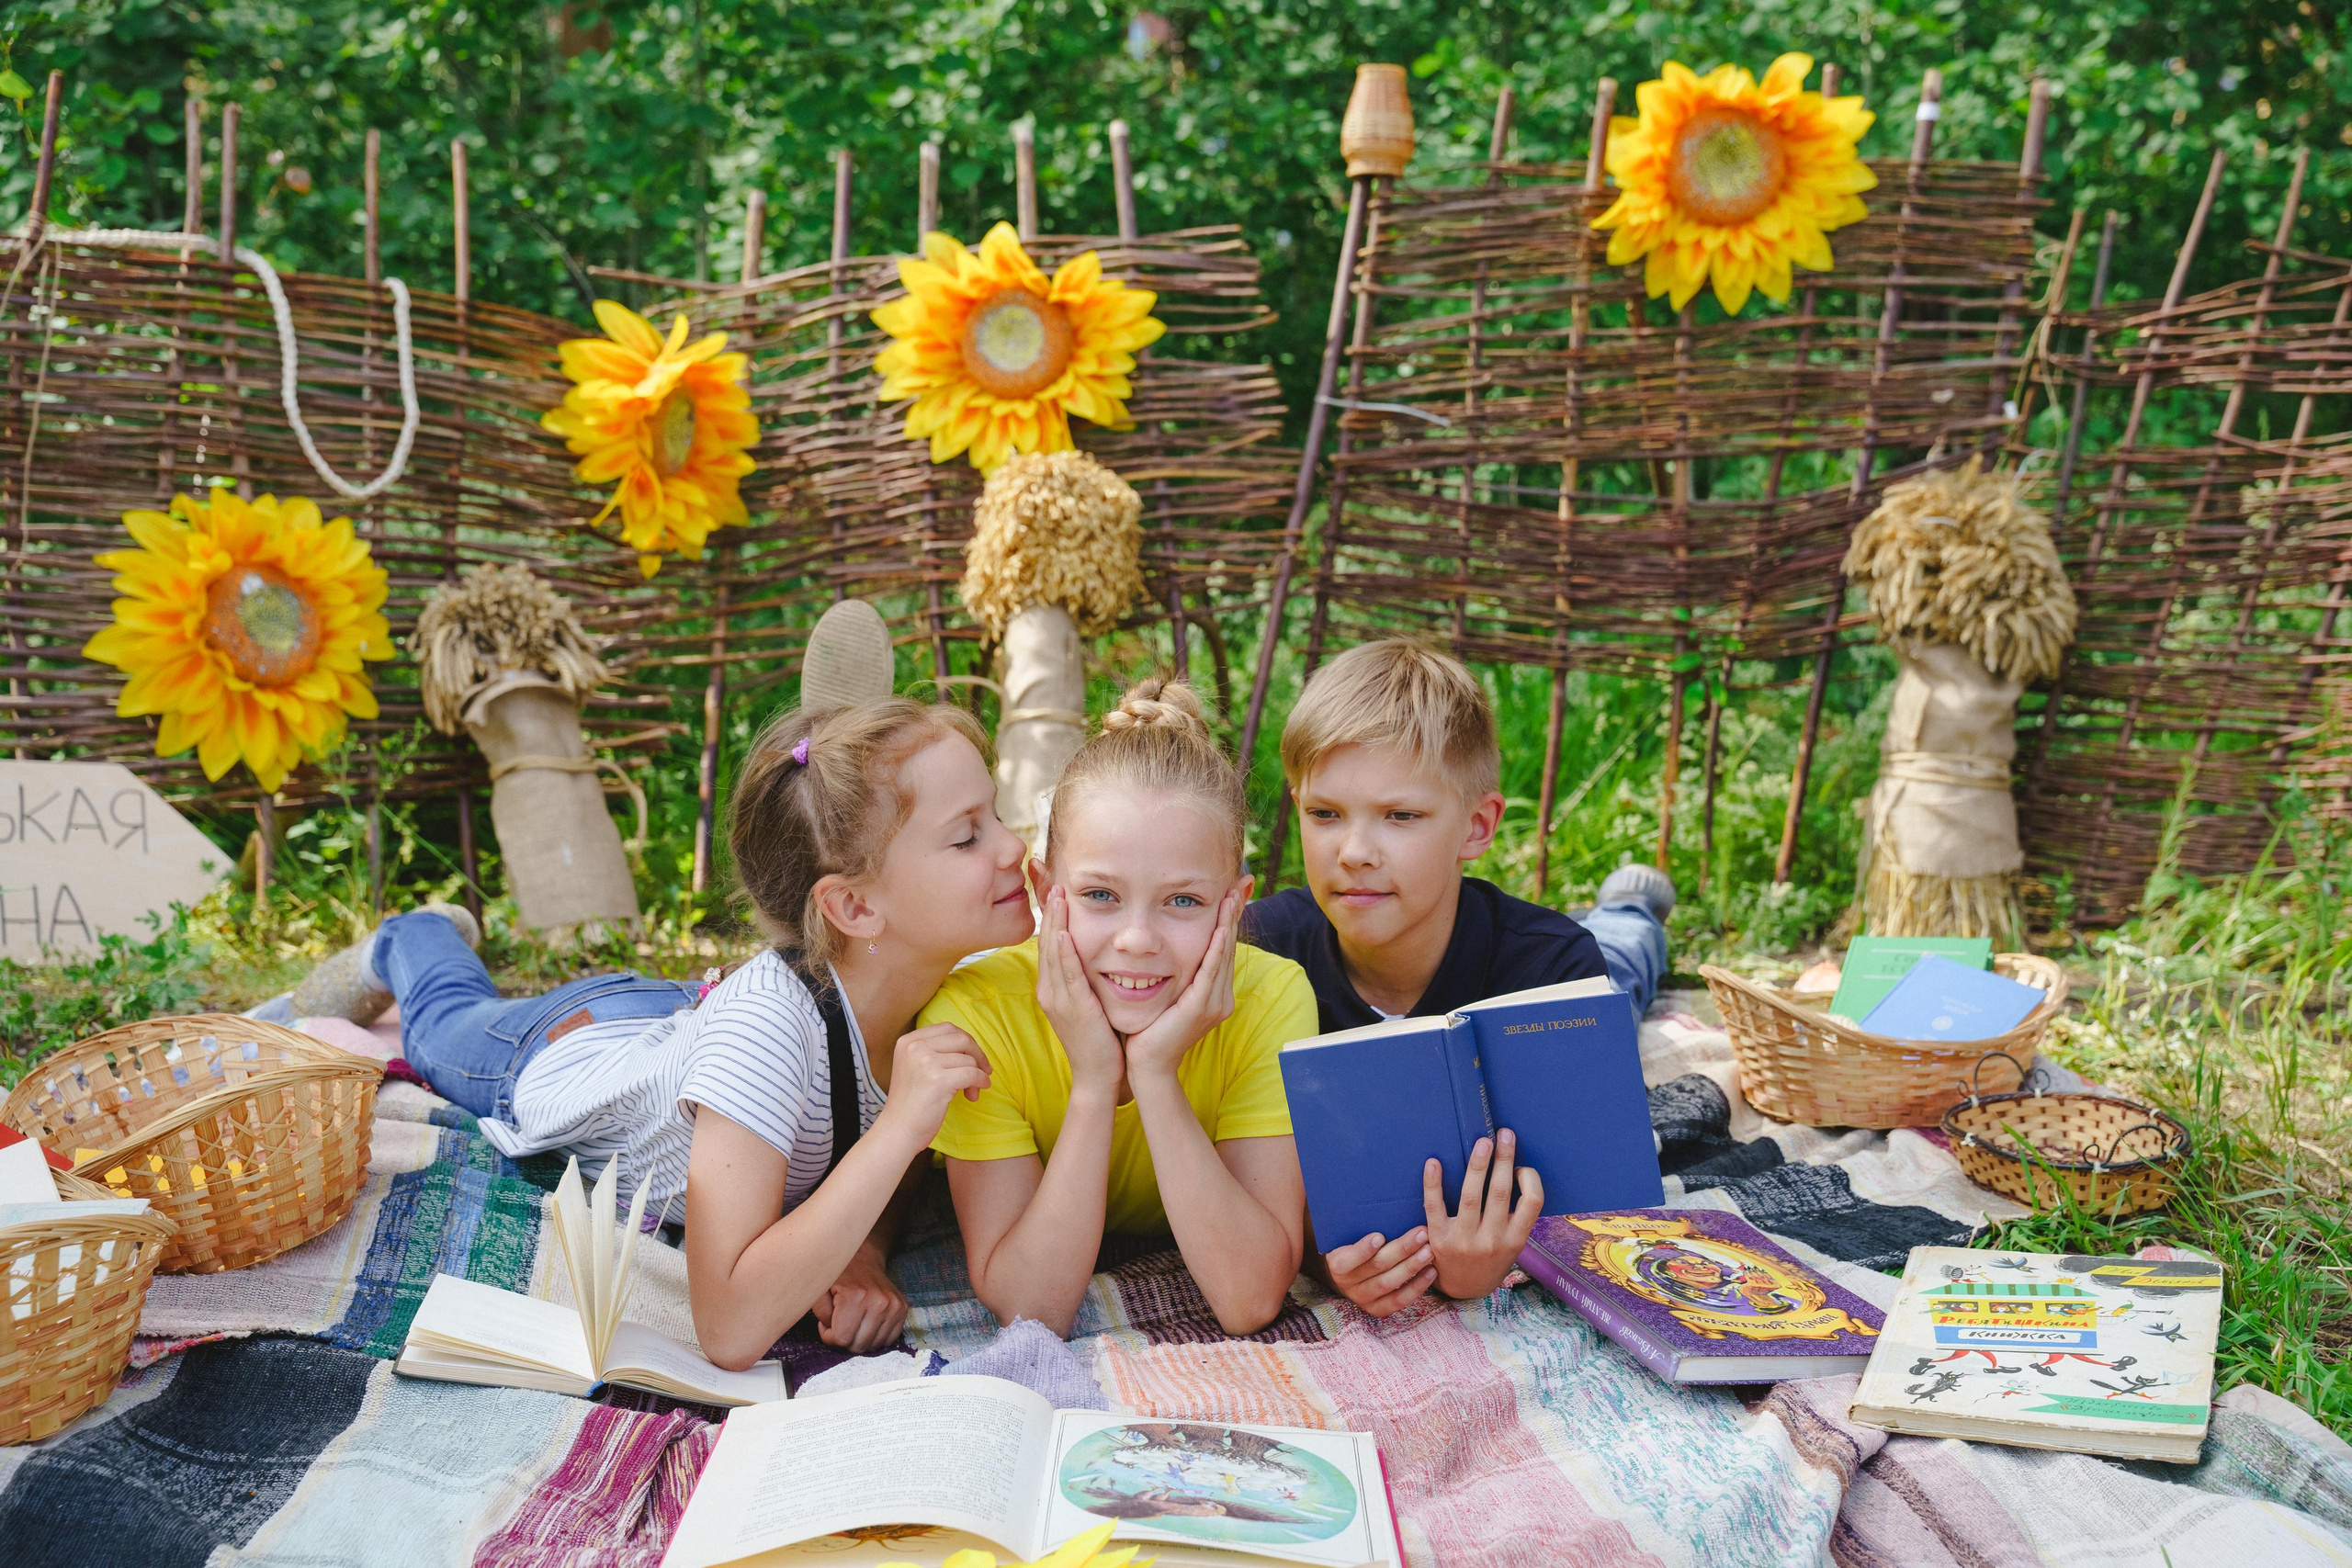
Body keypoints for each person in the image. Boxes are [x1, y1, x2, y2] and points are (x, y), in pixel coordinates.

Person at [286, 699, 1033, 1368]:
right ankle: (413, 936)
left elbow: (895, 1125)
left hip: (685, 1017)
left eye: (997, 814)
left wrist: (864, 1248)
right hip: (562, 1048)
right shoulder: (767, 1033)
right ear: (856, 909)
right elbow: (730, 1326)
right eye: (967, 837)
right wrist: (900, 1128)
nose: (1014, 847)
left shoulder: (947, 979)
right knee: (443, 1023)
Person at [1243, 637, 1677, 1319]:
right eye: (1325, 814)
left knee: (1623, 968)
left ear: (1476, 826)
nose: (1353, 852)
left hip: (1583, 950)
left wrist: (1498, 1263)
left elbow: (1599, 1197)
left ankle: (1632, 910)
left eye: (1400, 816)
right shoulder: (1261, 950)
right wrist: (1324, 1261)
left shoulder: (1555, 966)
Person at [923, 680, 1313, 1338]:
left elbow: (1249, 1298)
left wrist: (1154, 1072)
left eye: (1183, 901)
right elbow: (1030, 1309)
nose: (1137, 940)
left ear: (1235, 904)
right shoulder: (979, 1013)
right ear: (1045, 889)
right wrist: (1095, 1080)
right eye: (1101, 895)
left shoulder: (1270, 998)